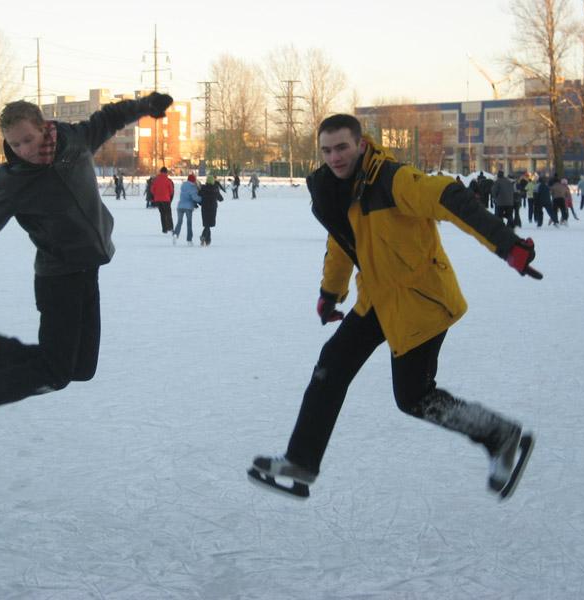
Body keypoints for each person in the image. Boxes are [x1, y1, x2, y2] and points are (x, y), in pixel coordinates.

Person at [249, 114, 540, 500]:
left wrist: (506, 245)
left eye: (342, 147)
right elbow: (341, 242)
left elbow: (449, 199)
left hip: (422, 302)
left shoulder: (393, 180)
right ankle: (301, 460)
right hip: (377, 298)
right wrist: (330, 293)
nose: (334, 157)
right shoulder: (339, 191)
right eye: (327, 150)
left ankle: (501, 435)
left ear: (361, 144)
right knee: (330, 368)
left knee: (414, 397)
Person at [0, 91, 174, 451]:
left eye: (28, 139)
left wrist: (145, 106)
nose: (23, 149)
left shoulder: (75, 141)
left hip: (88, 269)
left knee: (82, 368)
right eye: (14, 144)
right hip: (57, 278)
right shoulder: (14, 180)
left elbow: (110, 116)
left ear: (44, 128)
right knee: (55, 372)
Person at [173, 173, 202, 245]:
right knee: (189, 223)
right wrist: (202, 199)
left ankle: (175, 234)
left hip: (180, 206)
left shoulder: (183, 185)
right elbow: (195, 198)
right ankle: (189, 240)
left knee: (179, 222)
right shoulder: (192, 187)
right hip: (188, 207)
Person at [199, 175, 224, 246]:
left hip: (204, 208)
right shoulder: (215, 188)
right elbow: (221, 199)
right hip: (212, 209)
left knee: (207, 224)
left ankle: (207, 240)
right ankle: (204, 237)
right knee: (209, 224)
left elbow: (199, 194)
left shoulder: (203, 188)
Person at [150, 167, 175, 234]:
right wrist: (168, 196)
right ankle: (170, 227)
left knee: (162, 214)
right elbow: (171, 191)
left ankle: (164, 229)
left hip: (158, 199)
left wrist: (156, 195)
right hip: (166, 199)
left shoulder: (155, 180)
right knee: (168, 214)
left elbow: (152, 190)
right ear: (166, 172)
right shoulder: (168, 180)